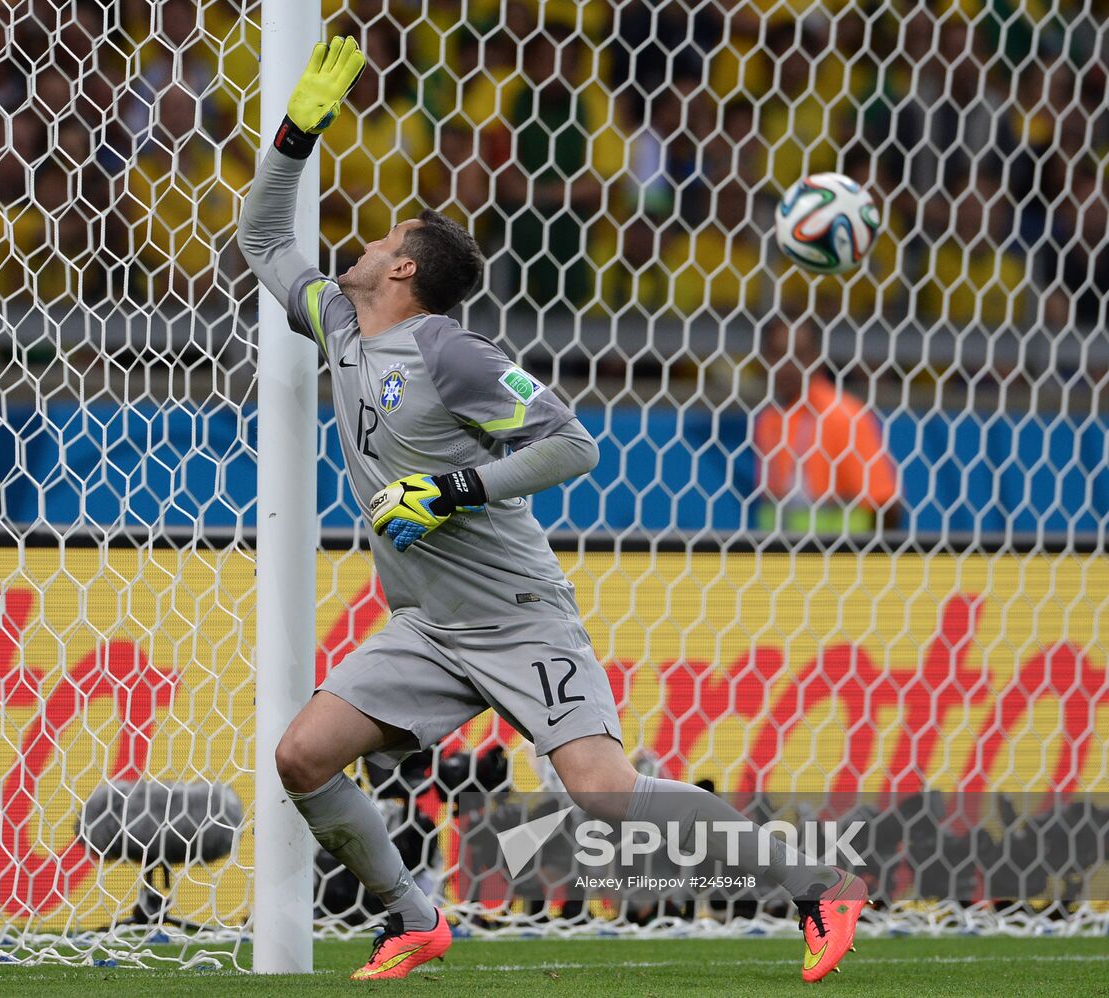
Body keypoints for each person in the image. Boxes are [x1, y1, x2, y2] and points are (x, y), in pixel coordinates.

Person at [237, 36, 865, 983]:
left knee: (604, 795)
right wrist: (295, 132)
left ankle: (818, 885)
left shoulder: (451, 353)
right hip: (428, 626)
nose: (363, 245)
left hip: (519, 616)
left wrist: (453, 489)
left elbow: (574, 444)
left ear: (403, 272)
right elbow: (263, 239)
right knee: (301, 757)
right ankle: (413, 914)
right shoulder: (335, 321)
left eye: (384, 240)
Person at [755, 319, 899, 534]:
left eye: (798, 355)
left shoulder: (844, 416)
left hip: (840, 551)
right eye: (778, 354)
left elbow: (885, 503)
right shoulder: (768, 420)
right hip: (781, 551)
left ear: (817, 358)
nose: (787, 366)